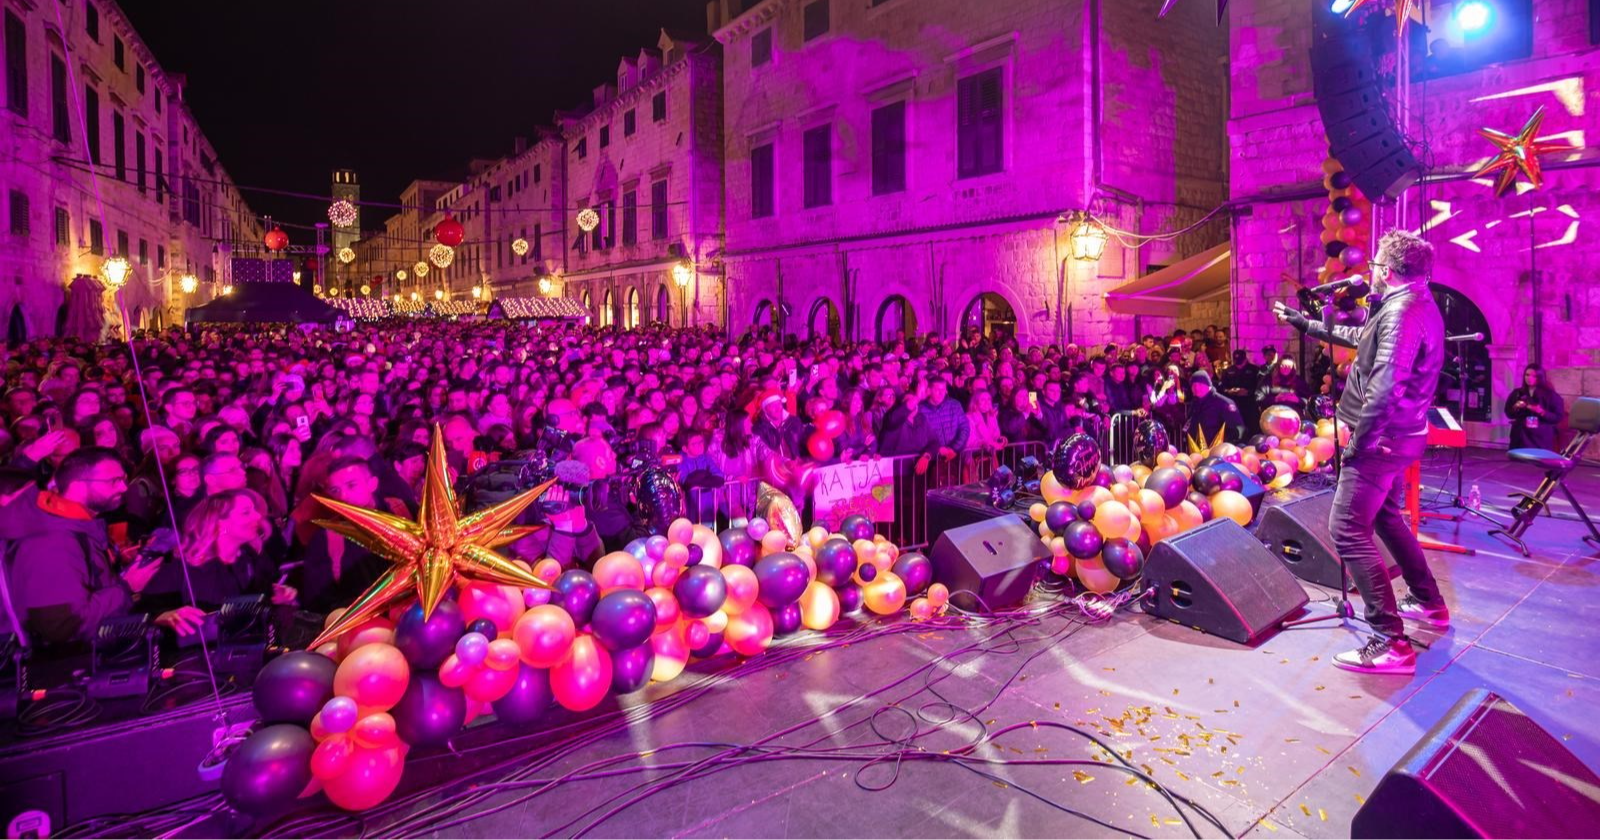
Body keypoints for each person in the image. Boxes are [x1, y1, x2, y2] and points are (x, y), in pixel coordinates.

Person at [1276, 229, 1446, 675]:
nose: (1368, 271)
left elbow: (1386, 385)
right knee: (1387, 518)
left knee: (1347, 528)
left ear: (1387, 271)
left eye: (1373, 265)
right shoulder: (1412, 303)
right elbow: (1364, 339)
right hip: (1400, 436)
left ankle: (1390, 642)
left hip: (1381, 440)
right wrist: (1304, 323)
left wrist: (1360, 443)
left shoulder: (1402, 313)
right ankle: (1429, 601)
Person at [3, 447, 159, 647]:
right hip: (68, 668)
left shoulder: (74, 528)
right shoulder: (52, 541)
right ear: (78, 486)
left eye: (124, 478)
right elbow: (61, 626)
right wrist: (126, 587)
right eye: (113, 481)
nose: (123, 487)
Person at [142, 489, 293, 635]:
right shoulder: (181, 567)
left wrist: (278, 596)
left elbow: (258, 605)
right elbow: (145, 613)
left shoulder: (249, 558)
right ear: (220, 524)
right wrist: (166, 616)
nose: (257, 517)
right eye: (246, 512)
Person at [292, 457, 391, 615]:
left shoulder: (403, 512)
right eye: (335, 490)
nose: (343, 497)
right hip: (362, 623)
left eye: (351, 485)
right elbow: (318, 601)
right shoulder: (326, 539)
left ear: (372, 484)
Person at [1504, 363, 1565, 451]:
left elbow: (1558, 417)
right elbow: (1509, 413)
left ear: (1540, 377)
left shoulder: (1550, 395)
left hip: (1540, 435)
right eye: (1527, 375)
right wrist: (1515, 406)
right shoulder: (1517, 393)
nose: (1529, 378)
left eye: (1534, 376)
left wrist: (1542, 412)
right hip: (1521, 435)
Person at [1182, 370, 1245, 445]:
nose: (1196, 388)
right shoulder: (1195, 403)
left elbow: (1238, 429)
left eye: (1200, 385)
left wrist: (1224, 444)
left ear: (1208, 385)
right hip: (1198, 449)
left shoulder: (1223, 403)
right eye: (1193, 385)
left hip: (1218, 450)